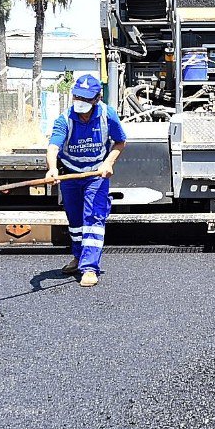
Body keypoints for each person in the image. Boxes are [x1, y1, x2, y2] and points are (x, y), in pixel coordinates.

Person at [45, 74, 127, 287]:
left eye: (87, 98)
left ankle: (90, 267)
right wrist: (52, 169)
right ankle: (79, 256)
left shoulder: (107, 115)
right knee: (75, 220)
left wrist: (108, 163)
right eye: (78, 97)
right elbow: (53, 147)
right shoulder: (65, 119)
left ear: (98, 98)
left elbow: (120, 142)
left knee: (93, 218)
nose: (81, 102)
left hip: (95, 175)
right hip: (70, 174)